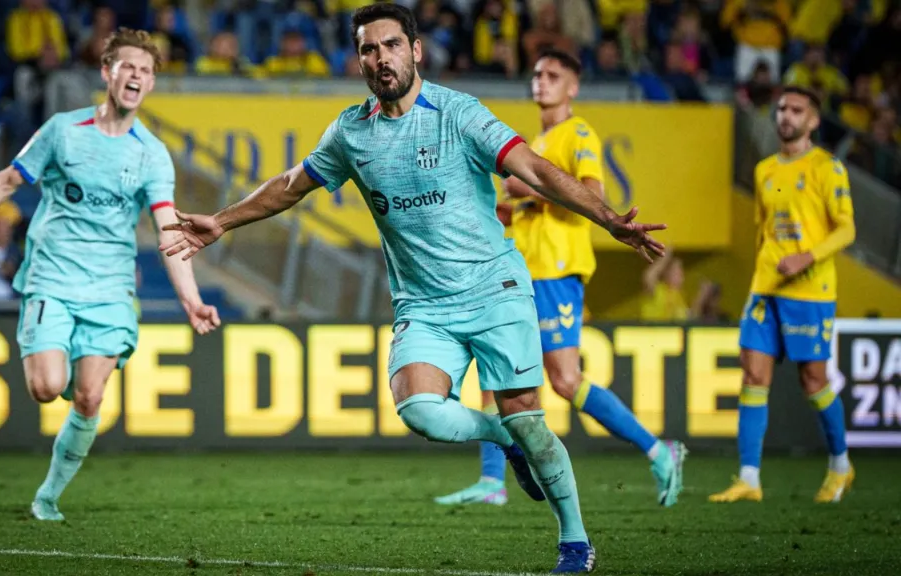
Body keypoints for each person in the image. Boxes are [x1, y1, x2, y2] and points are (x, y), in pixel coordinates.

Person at [161, 5, 665, 573]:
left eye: (392, 45)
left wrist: (607, 218)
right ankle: (506, 437)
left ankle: (574, 541)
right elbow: (290, 185)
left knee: (528, 415)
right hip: (424, 305)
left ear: (416, 50)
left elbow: (535, 169)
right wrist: (221, 221)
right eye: (368, 49)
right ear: (359, 60)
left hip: (495, 288)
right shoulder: (351, 132)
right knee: (421, 409)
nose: (381, 58)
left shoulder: (459, 114)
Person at [0, 28, 220, 522]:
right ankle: (59, 363)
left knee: (90, 395)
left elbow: (169, 230)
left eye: (146, 71)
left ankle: (48, 497)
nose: (136, 76)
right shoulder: (62, 130)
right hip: (51, 279)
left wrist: (191, 299)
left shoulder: (151, 154)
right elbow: (8, 181)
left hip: (110, 289)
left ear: (151, 84)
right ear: (107, 72)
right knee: (45, 387)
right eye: (128, 66)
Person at [435, 49, 686, 510]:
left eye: (553, 75)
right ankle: (492, 481)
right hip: (521, 274)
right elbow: (532, 209)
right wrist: (503, 211)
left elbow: (591, 193)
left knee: (566, 381)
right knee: (494, 371)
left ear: (573, 87)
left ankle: (658, 449)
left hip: (557, 272)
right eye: (536, 73)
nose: (541, 80)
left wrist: (530, 188)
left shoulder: (578, 133)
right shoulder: (539, 140)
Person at [709, 86, 855, 504]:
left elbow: (847, 228)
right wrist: (760, 276)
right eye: (781, 109)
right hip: (765, 289)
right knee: (752, 376)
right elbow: (764, 231)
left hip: (810, 291)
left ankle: (841, 466)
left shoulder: (827, 168)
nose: (785, 116)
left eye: (796, 110)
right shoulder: (765, 170)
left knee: (814, 381)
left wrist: (807, 257)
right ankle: (749, 479)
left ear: (813, 120)